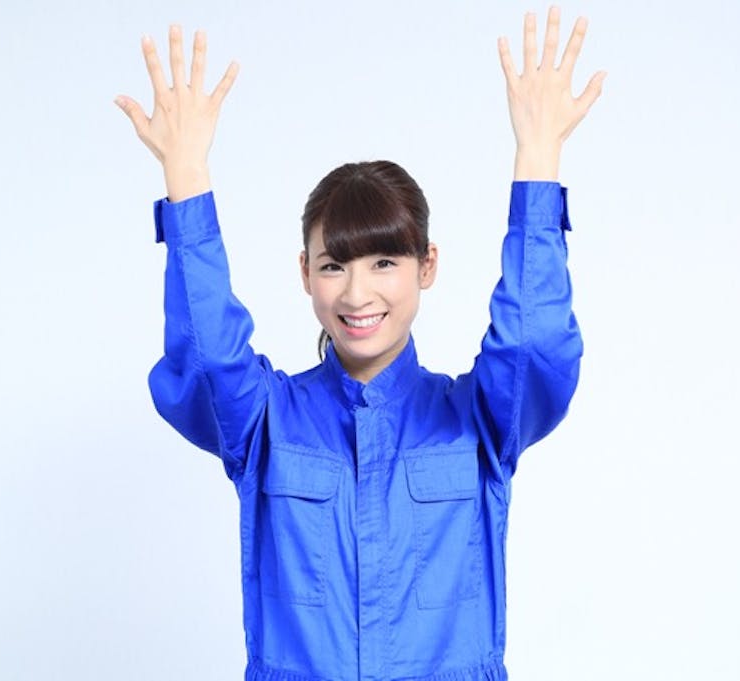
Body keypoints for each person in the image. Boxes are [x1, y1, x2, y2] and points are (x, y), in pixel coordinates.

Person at [115, 7, 605, 680]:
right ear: (304, 273)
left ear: (427, 266)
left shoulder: (479, 421)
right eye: (333, 265)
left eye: (383, 262)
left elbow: (535, 346)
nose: (356, 293)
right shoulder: (265, 422)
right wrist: (187, 178)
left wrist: (538, 163)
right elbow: (205, 360)